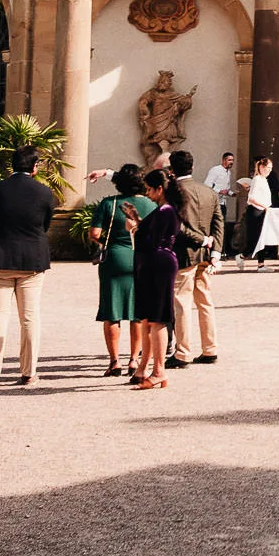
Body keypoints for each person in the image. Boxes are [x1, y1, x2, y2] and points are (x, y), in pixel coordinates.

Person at [0, 145, 55, 389]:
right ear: (35, 167)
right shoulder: (44, 192)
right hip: (31, 260)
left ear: (12, 165)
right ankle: (29, 372)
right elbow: (45, 223)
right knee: (29, 318)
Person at [88, 165, 153, 376]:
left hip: (114, 257)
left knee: (112, 311)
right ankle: (134, 360)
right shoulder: (150, 204)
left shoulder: (110, 203)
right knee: (137, 312)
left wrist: (106, 239)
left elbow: (94, 232)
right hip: (141, 258)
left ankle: (114, 361)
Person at [167, 150, 221, 366]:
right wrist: (215, 248)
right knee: (205, 301)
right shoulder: (208, 191)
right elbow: (219, 222)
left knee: (182, 303)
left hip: (184, 253)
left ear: (172, 169)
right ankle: (210, 348)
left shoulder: (174, 192)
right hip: (206, 255)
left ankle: (182, 352)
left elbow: (176, 226)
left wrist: (201, 240)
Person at [131, 174, 181, 390]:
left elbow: (151, 239)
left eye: (150, 190)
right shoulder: (164, 210)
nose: (148, 194)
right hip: (156, 262)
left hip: (158, 262)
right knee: (148, 318)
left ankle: (159, 370)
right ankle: (146, 367)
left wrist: (134, 228)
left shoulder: (166, 210)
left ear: (160, 189)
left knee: (157, 318)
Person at [242, 156, 274, 264]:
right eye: (267, 167)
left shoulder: (264, 180)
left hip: (263, 210)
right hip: (256, 210)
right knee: (256, 238)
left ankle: (260, 263)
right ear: (261, 167)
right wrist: (264, 206)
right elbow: (251, 198)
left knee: (261, 238)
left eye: (270, 168)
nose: (269, 170)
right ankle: (243, 256)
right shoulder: (257, 179)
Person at [205, 152, 237, 259]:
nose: (231, 162)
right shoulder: (215, 170)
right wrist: (219, 191)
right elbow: (207, 184)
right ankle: (211, 251)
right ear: (223, 160)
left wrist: (232, 193)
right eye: (229, 160)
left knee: (221, 227)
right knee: (214, 226)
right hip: (214, 203)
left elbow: (226, 189)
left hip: (223, 203)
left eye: (232, 160)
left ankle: (220, 251)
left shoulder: (229, 173)